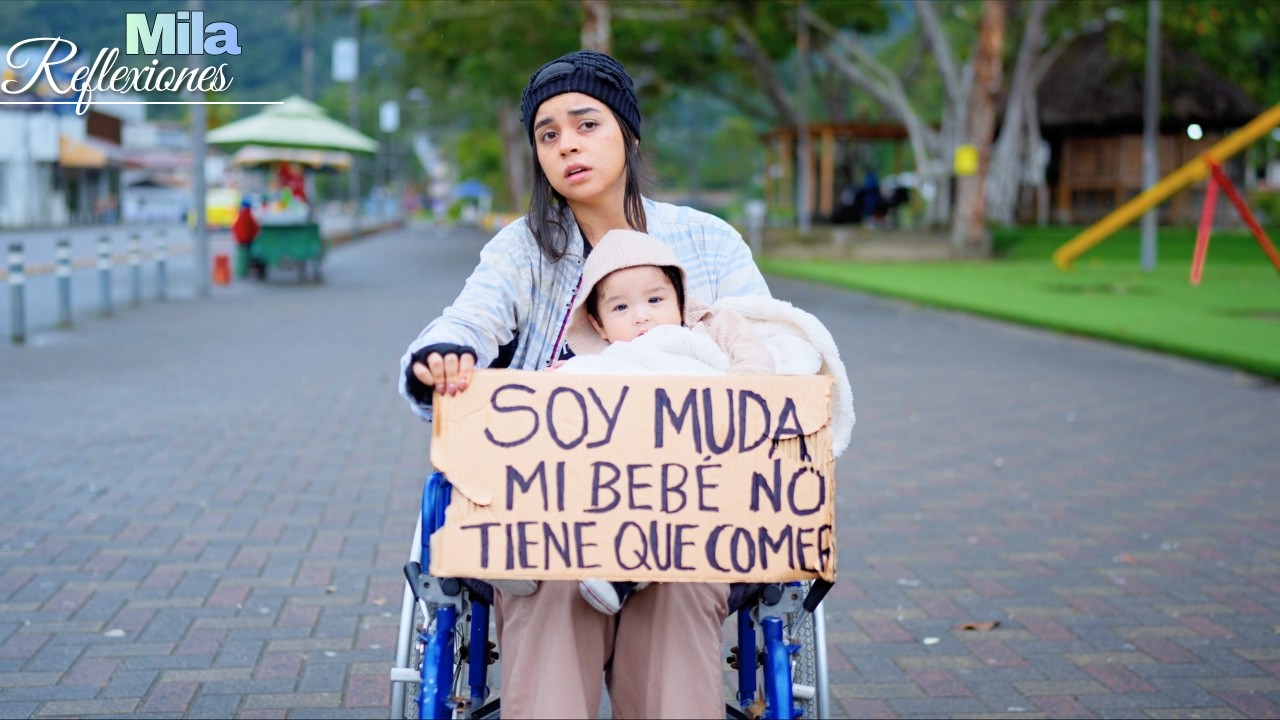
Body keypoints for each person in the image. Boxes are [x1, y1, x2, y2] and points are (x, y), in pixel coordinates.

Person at [399, 49, 771, 718]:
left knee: (679, 582)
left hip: (692, 503)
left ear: (627, 133)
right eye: (548, 133)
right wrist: (447, 352)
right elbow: (471, 317)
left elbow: (769, 350)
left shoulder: (708, 242)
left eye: (585, 124)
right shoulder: (524, 247)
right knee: (552, 582)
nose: (566, 143)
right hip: (552, 505)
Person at [551, 228, 775, 615]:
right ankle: (522, 543)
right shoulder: (607, 360)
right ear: (599, 325)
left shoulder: (709, 328)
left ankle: (628, 566)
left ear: (680, 300)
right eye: (620, 308)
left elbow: (754, 359)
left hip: (698, 448)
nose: (642, 316)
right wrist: (554, 378)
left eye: (656, 299)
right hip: (620, 464)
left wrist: (735, 400)